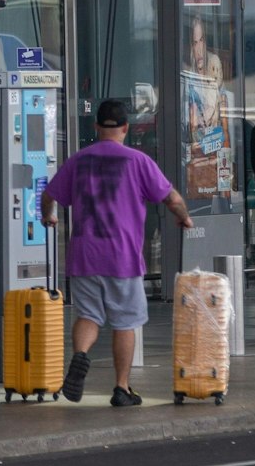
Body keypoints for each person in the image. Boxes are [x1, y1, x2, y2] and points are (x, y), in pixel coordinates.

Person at [41, 98, 192, 407]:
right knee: (124, 322)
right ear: (126, 128)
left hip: (83, 254)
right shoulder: (138, 161)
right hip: (121, 256)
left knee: (88, 316)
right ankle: (122, 388)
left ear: (96, 127)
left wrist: (49, 216)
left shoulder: (78, 160)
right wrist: (183, 216)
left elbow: (49, 195)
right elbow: (172, 198)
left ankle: (81, 355)